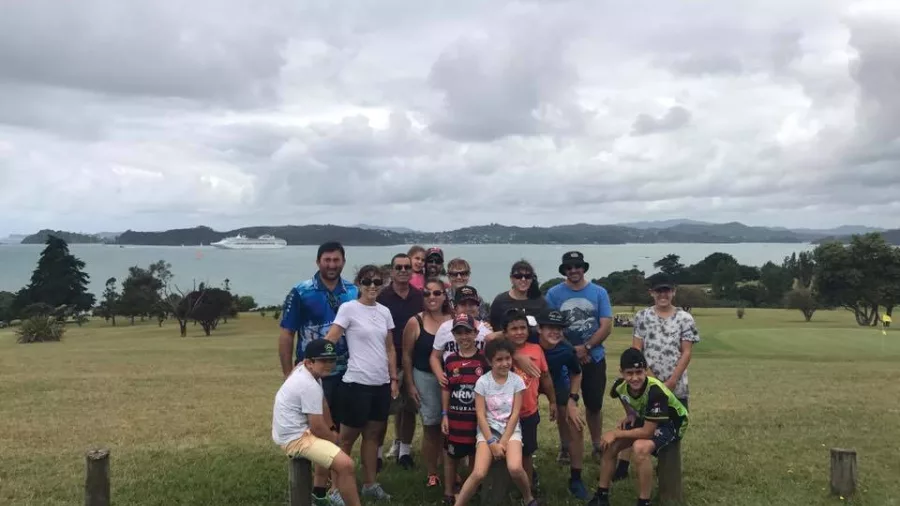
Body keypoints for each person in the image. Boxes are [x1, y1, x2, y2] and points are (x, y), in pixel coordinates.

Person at [278, 242, 358, 495]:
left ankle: (336, 487)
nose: (332, 265)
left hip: (347, 372)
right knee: (319, 430)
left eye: (336, 260)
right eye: (327, 260)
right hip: (314, 375)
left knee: (342, 431)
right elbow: (287, 333)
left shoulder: (354, 291)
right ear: (318, 262)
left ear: (343, 262)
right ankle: (319, 488)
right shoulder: (301, 292)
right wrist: (288, 372)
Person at [324, 265, 398, 501]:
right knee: (346, 439)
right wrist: (313, 363)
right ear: (359, 283)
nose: (373, 286)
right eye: (367, 281)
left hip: (381, 384)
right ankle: (335, 489)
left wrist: (393, 378)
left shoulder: (385, 311)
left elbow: (389, 348)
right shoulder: (349, 309)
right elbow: (331, 339)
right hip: (356, 383)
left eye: (377, 282)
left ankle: (369, 484)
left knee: (373, 437)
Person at [615, 275, 699, 480]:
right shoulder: (643, 316)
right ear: (651, 292)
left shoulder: (685, 318)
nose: (663, 295)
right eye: (658, 291)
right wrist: (652, 380)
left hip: (676, 387)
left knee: (670, 427)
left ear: (674, 292)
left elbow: (686, 352)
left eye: (667, 290)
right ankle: (622, 466)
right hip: (644, 384)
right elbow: (637, 349)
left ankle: (667, 471)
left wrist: (670, 382)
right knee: (636, 422)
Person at [589, 348, 689, 506]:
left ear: (645, 371)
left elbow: (648, 432)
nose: (635, 377)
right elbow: (620, 395)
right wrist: (630, 413)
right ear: (621, 372)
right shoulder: (620, 385)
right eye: (629, 373)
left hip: (672, 423)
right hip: (648, 417)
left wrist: (616, 433)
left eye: (639, 372)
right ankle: (601, 496)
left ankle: (644, 502)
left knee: (640, 448)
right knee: (610, 446)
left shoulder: (656, 391)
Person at [272, 339, 362, 506]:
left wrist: (332, 429)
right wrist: (335, 439)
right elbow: (317, 427)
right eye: (323, 360)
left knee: (329, 446)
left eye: (331, 360)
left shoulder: (308, 372)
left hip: (298, 432)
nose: (329, 364)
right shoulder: (308, 384)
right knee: (346, 465)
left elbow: (323, 404)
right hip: (295, 438)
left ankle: (319, 497)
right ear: (309, 362)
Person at [545, 250, 613, 462]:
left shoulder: (599, 292)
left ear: (583, 268)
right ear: (565, 270)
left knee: (594, 405)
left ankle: (596, 445)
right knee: (564, 405)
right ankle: (566, 447)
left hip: (594, 357)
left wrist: (587, 347)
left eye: (577, 266)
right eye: (569, 267)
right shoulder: (554, 294)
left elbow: (606, 325)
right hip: (564, 358)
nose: (574, 270)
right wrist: (573, 351)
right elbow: (550, 326)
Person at [453, 338, 537, 506]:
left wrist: (504, 441)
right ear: (490, 361)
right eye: (499, 359)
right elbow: (481, 415)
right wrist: (492, 442)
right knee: (479, 473)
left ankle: (529, 497)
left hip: (510, 431)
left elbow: (514, 415)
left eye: (508, 358)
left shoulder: (516, 381)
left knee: (515, 468)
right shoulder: (483, 382)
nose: (505, 363)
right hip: (487, 431)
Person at [403, 278, 453, 488]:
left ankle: (451, 469)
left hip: (452, 379)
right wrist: (410, 384)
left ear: (444, 296)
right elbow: (406, 355)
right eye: (427, 294)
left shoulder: (454, 319)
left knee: (454, 427)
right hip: (425, 376)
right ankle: (432, 472)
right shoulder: (416, 321)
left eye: (436, 293)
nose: (431, 297)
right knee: (431, 426)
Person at [377, 253, 425, 470]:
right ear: (392, 270)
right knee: (381, 411)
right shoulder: (382, 297)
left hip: (413, 359)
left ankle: (404, 451)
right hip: (387, 360)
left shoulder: (419, 296)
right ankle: (376, 453)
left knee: (408, 407)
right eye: (399, 267)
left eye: (407, 267)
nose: (404, 271)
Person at [535, 308, 589, 499]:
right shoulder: (528, 341)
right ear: (539, 329)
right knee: (522, 419)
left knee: (576, 424)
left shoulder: (566, 349)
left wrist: (573, 400)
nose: (555, 332)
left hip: (557, 382)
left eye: (559, 328)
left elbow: (577, 372)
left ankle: (576, 478)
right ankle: (523, 470)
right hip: (529, 382)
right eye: (550, 327)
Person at [440, 313, 491, 505]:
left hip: (476, 420)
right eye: (459, 332)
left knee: (474, 455)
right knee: (451, 455)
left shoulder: (484, 361)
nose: (464, 337)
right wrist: (444, 415)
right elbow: (446, 388)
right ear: (454, 335)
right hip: (454, 418)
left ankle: (471, 490)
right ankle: (448, 492)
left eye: (468, 332)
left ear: (476, 333)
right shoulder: (450, 360)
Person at [504, 309, 555, 494]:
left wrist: (552, 401)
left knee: (527, 452)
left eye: (522, 328)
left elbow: (545, 376)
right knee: (504, 450)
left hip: (528, 411)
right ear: (505, 332)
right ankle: (505, 485)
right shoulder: (501, 350)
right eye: (514, 328)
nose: (519, 332)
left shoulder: (536, 349)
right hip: (504, 414)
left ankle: (528, 488)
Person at [489, 260, 548, 342]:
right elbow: (493, 328)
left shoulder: (540, 301)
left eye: (527, 276)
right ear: (511, 278)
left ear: (532, 279)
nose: (523, 279)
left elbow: (545, 328)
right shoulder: (500, 301)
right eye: (518, 276)